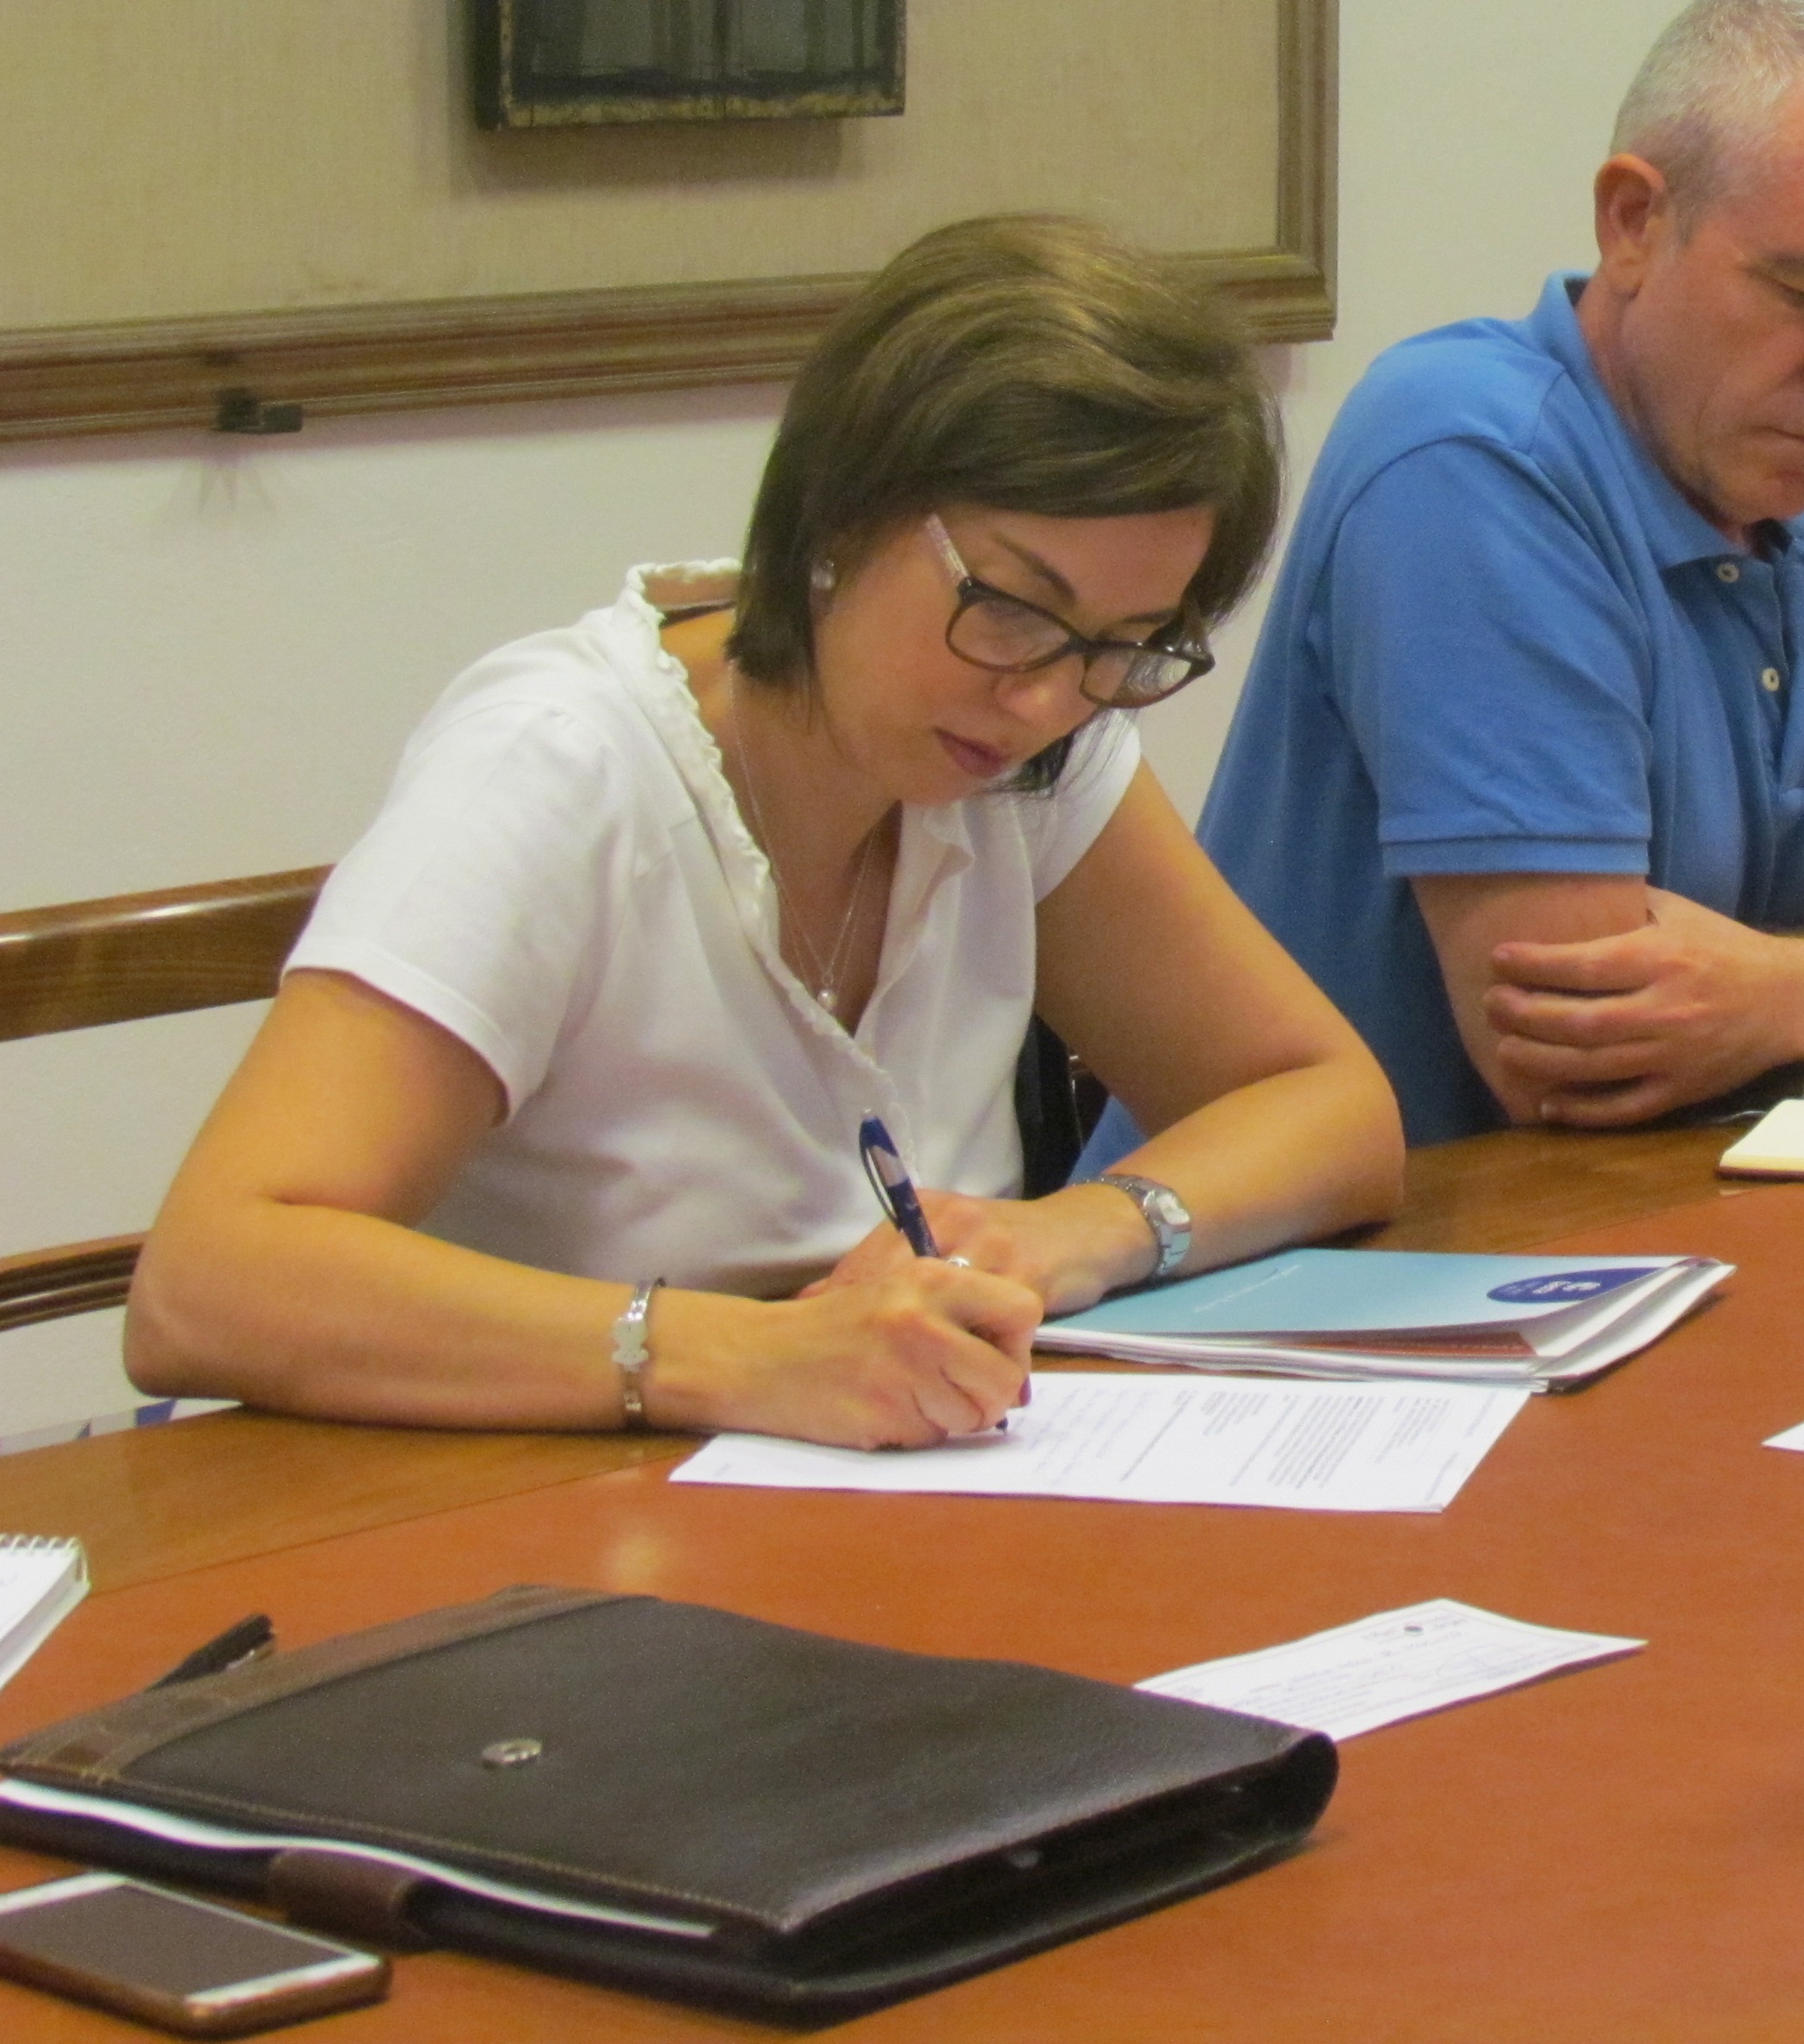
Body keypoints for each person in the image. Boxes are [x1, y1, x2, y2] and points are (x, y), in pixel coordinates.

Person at [126, 218, 1405, 1450]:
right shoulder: (563, 766)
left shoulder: (1038, 762)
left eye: (1125, 649)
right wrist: (751, 1359)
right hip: (509, 1521)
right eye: (1012, 609)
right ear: (840, 512)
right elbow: (210, 1283)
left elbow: (1328, 1109)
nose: (1044, 700)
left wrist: (1084, 1230)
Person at [1198, 0, 1804, 1142]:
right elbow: (1574, 1064)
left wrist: (1778, 994)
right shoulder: (1471, 454)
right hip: (1351, 1269)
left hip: (1695, 1232)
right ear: (1633, 223)